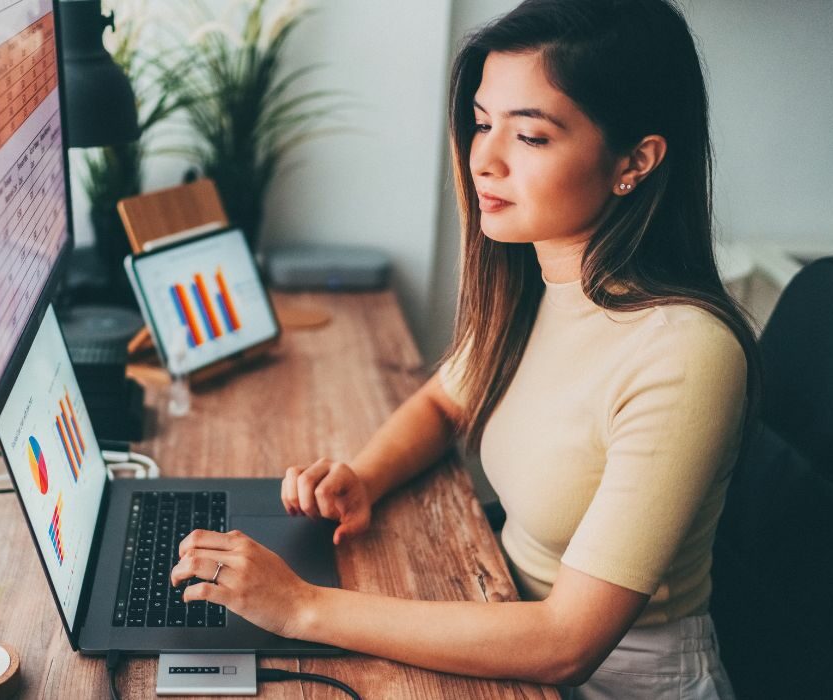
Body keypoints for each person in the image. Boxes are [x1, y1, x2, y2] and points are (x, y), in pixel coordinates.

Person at [170, 0, 757, 696]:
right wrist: (364, 476)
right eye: (481, 124)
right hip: (506, 616)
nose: (484, 159)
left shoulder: (685, 355)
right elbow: (448, 401)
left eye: (530, 138)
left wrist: (301, 606)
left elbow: (568, 642)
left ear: (635, 161)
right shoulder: (544, 275)